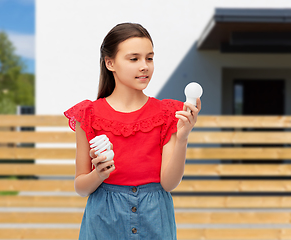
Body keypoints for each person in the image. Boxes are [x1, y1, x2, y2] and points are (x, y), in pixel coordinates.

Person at [64, 22, 201, 240]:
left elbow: (169, 183)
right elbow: (81, 187)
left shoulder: (168, 114)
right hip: (103, 223)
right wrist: (98, 174)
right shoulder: (88, 114)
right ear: (110, 63)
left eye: (149, 58)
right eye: (134, 58)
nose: (144, 66)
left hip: (155, 220)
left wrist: (183, 138)